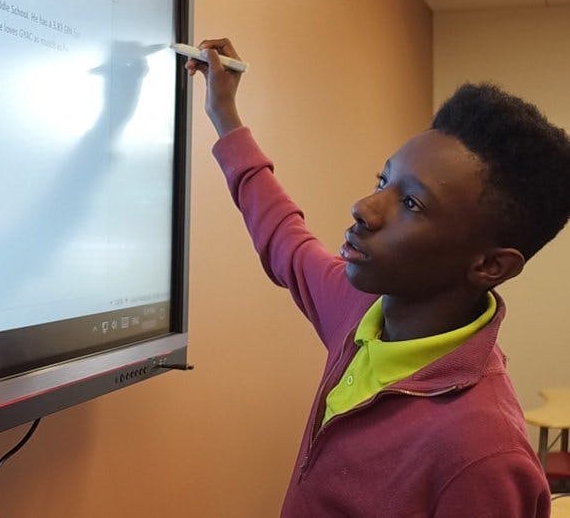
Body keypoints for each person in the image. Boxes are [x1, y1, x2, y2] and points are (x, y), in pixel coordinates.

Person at [185, 38, 570, 517]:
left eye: (411, 203)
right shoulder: (359, 309)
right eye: (382, 181)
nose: (364, 208)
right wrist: (224, 113)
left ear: (490, 266)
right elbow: (284, 236)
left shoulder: (483, 456)